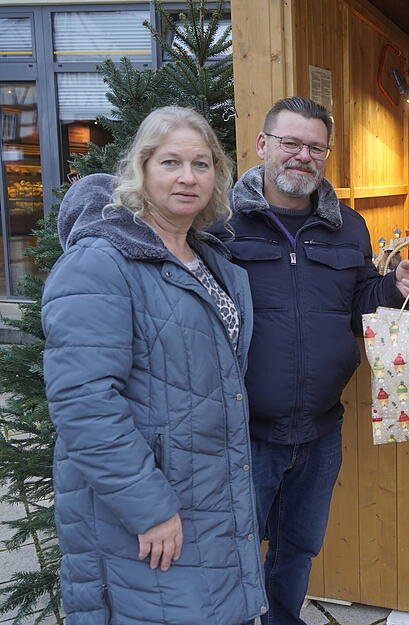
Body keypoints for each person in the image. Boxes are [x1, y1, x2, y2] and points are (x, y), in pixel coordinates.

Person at [209, 96, 409, 625]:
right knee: (230, 554)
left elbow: (356, 303)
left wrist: (393, 288)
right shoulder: (219, 224)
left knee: (298, 550)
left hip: (319, 428)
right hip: (244, 432)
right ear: (263, 145)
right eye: (290, 143)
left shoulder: (348, 226)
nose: (302, 156)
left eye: (315, 147)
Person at [42, 107, 266, 623]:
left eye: (202, 164)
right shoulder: (100, 261)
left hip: (208, 492)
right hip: (148, 505)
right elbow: (85, 404)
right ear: (140, 171)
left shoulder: (209, 260)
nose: (188, 177)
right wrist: (151, 509)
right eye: (170, 162)